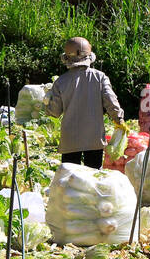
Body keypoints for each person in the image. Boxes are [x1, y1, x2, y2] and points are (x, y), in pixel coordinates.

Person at [46, 37, 123, 168]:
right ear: (89, 56)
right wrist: (119, 120)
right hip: (94, 139)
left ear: (66, 58)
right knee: (92, 179)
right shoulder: (100, 77)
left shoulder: (60, 82)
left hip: (70, 141)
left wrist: (46, 100)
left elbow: (54, 112)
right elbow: (111, 102)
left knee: (71, 179)